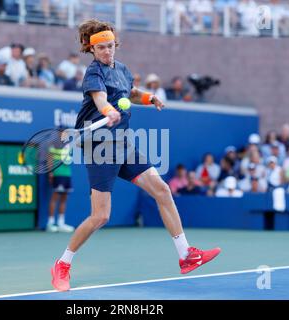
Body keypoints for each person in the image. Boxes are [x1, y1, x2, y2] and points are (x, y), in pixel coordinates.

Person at [50, 19, 221, 292]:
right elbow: (101, 100)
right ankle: (62, 264)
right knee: (101, 216)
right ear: (92, 50)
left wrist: (149, 97)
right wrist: (108, 111)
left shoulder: (123, 69)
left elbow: (130, 92)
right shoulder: (93, 74)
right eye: (101, 48)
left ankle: (186, 255)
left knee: (162, 190)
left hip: (123, 144)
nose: (107, 51)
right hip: (99, 147)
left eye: (110, 46)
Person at [47, 134, 75, 233]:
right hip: (57, 174)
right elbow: (49, 159)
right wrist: (50, 173)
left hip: (67, 174)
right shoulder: (53, 144)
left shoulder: (68, 145)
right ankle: (50, 223)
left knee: (64, 198)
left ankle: (61, 223)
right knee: (54, 198)